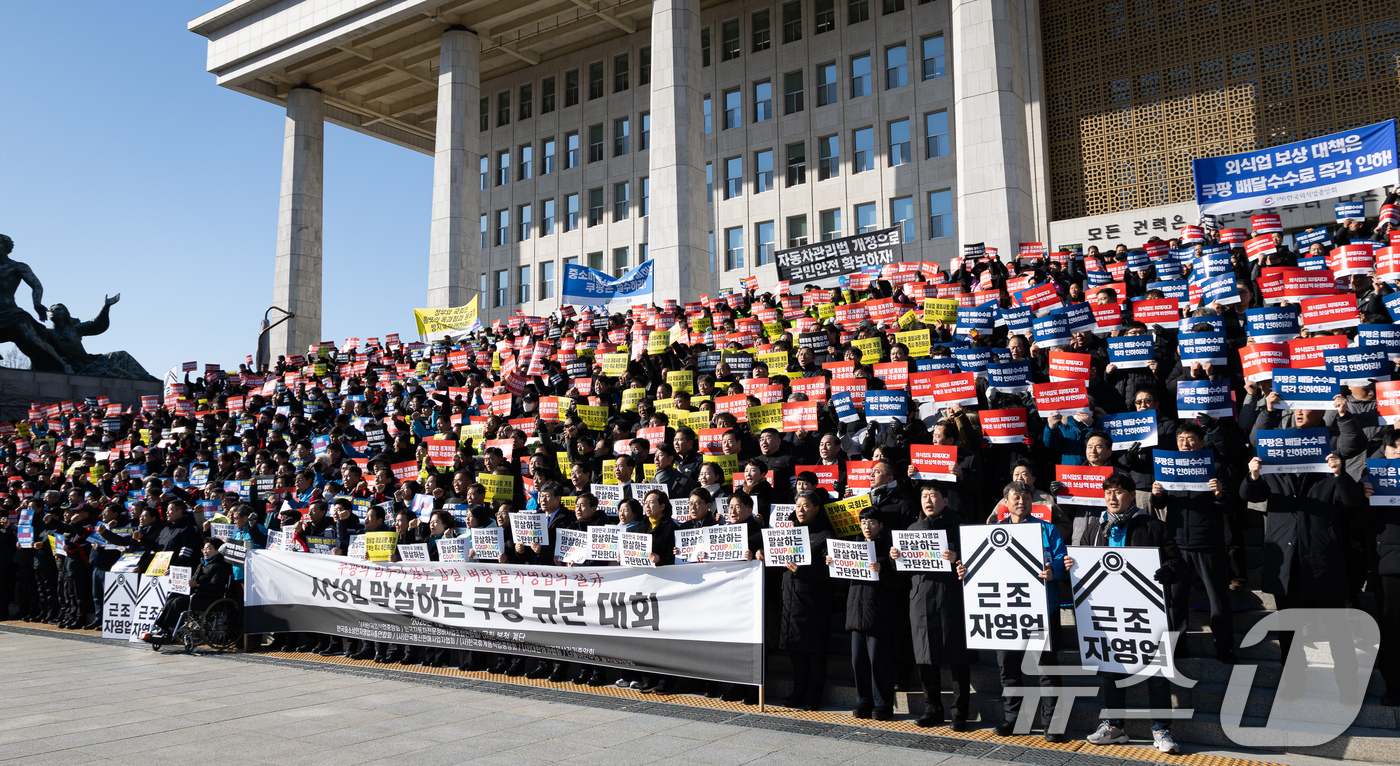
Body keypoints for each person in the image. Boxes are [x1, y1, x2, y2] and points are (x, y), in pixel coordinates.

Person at [1078, 472, 1188, 754]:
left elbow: (1177, 561)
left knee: (1156, 671)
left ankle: (1162, 729)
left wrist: (1169, 570)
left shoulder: (1152, 525)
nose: (1111, 498)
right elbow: (1082, 563)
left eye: (1117, 492)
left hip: (1145, 612)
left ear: (1130, 495)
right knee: (1111, 668)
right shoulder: (1095, 528)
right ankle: (1114, 726)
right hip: (1108, 613)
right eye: (1107, 492)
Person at [892, 484, 971, 730]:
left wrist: (957, 558)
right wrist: (897, 557)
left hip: (951, 597)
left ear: (945, 501)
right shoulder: (913, 529)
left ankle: (960, 712)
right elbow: (903, 572)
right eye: (924, 496)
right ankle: (932, 709)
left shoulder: (959, 527)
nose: (928, 500)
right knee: (925, 655)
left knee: (958, 656)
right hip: (921, 596)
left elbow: (974, 561)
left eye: (933, 496)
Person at [779, 490, 835, 711]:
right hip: (790, 598)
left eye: (805, 506)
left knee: (815, 652)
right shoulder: (788, 532)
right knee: (796, 652)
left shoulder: (825, 535)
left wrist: (803, 570)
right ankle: (798, 691)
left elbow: (830, 570)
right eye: (798, 505)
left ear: (816, 509)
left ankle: (813, 696)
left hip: (814, 601)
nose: (800, 510)